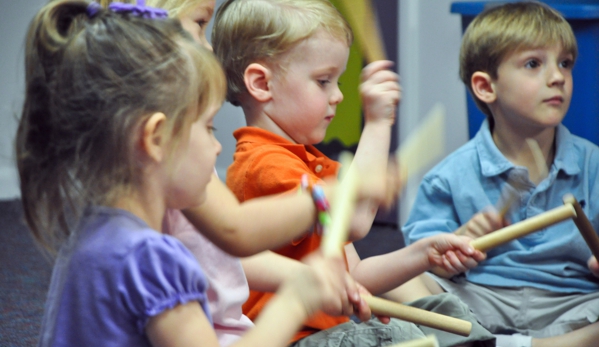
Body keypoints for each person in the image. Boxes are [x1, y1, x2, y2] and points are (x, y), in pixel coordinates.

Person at [17, 1, 365, 346]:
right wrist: (294, 300)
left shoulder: (90, 236)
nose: (217, 148)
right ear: (155, 138)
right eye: (209, 127)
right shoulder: (153, 261)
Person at [213, 1, 495, 346]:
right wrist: (377, 122)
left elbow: (354, 273)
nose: (338, 96)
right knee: (398, 333)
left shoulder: (304, 162)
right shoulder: (263, 166)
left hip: (330, 332)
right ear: (261, 83)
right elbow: (357, 220)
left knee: (444, 313)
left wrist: (422, 254)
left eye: (338, 81)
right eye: (323, 81)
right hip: (294, 339)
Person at [402, 2, 599, 347]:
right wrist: (453, 250)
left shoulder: (593, 165)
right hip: (479, 300)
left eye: (565, 63)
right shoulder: (448, 177)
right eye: (534, 64)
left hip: (573, 304)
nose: (558, 77)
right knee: (396, 282)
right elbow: (421, 265)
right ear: (485, 87)